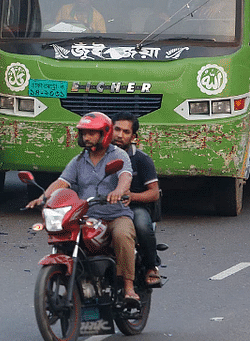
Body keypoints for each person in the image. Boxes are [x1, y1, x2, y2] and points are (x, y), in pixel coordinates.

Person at [26, 112, 139, 301]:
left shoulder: (118, 155)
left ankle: (128, 288)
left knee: (122, 234)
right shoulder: (79, 160)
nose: (86, 137)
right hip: (87, 216)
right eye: (84, 133)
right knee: (66, 236)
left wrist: (118, 191)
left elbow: (125, 176)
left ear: (104, 133)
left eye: (91, 133)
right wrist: (42, 197)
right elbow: (62, 182)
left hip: (115, 215)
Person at [111, 111, 162, 287]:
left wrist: (132, 196)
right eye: (117, 129)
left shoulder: (141, 160)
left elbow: (154, 193)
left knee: (141, 225)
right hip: (105, 206)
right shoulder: (98, 155)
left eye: (126, 132)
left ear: (133, 137)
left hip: (135, 207)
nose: (119, 135)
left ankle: (151, 266)